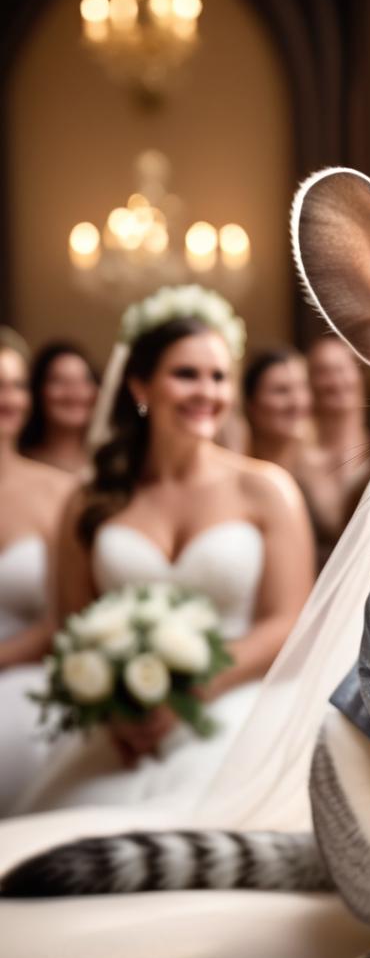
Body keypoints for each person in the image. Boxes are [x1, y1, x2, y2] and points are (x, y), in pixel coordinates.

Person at [13, 287, 315, 813]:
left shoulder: (267, 491)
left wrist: (190, 693)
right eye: (186, 374)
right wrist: (116, 704)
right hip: (123, 726)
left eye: (219, 377)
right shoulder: (89, 500)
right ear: (139, 385)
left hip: (236, 706)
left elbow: (286, 619)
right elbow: (72, 625)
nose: (206, 391)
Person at [0, 328, 76, 813]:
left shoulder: (59, 493)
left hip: (26, 679)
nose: (6, 398)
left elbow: (67, 615)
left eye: (15, 385)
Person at [304, 335, 370, 568]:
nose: (335, 381)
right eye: (323, 371)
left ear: (359, 374)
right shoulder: (297, 461)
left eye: (343, 369)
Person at [18, 341, 98, 476]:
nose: (74, 392)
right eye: (59, 381)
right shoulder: (18, 465)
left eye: (84, 380)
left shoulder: (111, 467)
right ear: (37, 392)